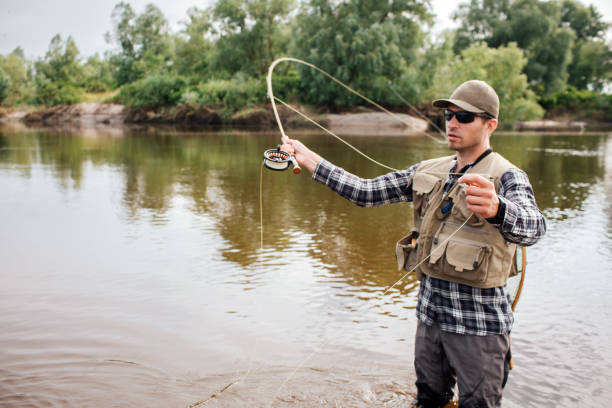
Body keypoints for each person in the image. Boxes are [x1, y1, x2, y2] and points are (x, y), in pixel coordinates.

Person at [280, 80, 546, 407]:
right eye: (449, 114)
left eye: (464, 117)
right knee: (429, 401)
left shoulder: (508, 176)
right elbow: (365, 193)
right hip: (430, 320)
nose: (451, 122)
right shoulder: (427, 170)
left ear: (490, 124)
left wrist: (498, 209)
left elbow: (534, 229)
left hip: (479, 328)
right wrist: (309, 158)